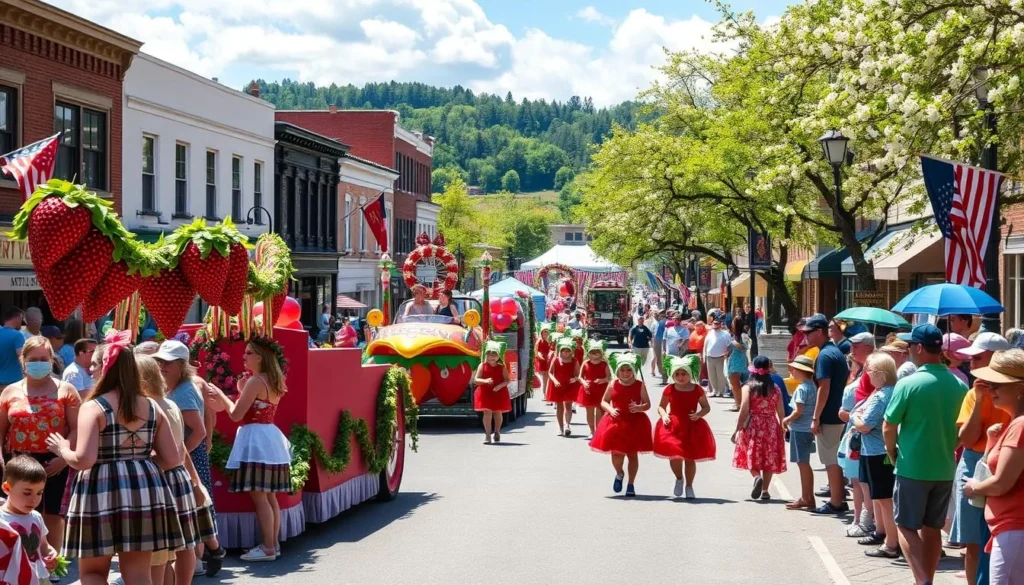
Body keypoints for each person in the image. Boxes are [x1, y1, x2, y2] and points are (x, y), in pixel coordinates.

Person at [47, 337, 184, 584]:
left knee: (93, 573)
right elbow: (174, 458)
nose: (91, 368)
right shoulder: (152, 406)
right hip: (146, 490)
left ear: (107, 368)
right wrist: (140, 467)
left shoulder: (94, 407)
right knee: (139, 574)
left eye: (96, 363)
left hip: (101, 489)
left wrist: (62, 449)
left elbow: (84, 460)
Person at [883, 323, 968, 585]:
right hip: (944, 467)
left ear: (919, 348)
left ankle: (922, 580)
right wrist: (950, 448)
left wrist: (891, 452)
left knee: (906, 525)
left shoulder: (909, 383)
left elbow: (889, 425)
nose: (908, 350)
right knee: (933, 528)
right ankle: (926, 578)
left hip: (912, 467)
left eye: (910, 345)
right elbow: (963, 428)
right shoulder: (959, 384)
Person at [0, 336, 81, 574]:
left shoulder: (66, 389)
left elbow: (77, 428)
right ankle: (17, 562)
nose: (38, 363)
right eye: (33, 359)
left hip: (55, 459)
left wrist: (64, 456)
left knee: (53, 513)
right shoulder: (10, 392)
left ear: (51, 360)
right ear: (23, 362)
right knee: (16, 509)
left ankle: (51, 566)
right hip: (19, 461)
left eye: (43, 359)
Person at [206, 339, 292, 563]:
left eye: (248, 353)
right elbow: (256, 405)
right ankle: (272, 544)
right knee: (269, 495)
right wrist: (241, 389)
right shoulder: (272, 380)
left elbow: (236, 415)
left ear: (260, 357)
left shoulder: (256, 381)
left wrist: (223, 396)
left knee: (260, 496)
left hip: (255, 440)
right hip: (270, 438)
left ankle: (268, 548)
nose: (244, 357)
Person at [136, 355, 203, 585]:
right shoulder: (170, 403)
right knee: (183, 545)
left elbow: (169, 450)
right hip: (178, 476)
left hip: (162, 477)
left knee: (160, 553)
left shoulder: (150, 407)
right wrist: (194, 479)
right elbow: (181, 447)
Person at [955, 333, 1013, 585]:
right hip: (975, 463)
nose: (972, 364)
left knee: (1002, 535)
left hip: (1006, 464)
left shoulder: (1014, 395)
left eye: (978, 358)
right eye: (971, 359)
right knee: (973, 541)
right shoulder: (973, 393)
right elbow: (967, 439)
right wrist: (979, 401)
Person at [963, 349, 1024, 585]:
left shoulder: (1019, 426)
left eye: (997, 384)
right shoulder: (1013, 423)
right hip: (1008, 529)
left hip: (1014, 528)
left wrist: (973, 488)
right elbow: (991, 469)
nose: (991, 389)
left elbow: (1000, 483)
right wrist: (990, 440)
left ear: (1019, 388)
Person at [152, 340, 214, 566]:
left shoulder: (185, 390)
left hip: (188, 457)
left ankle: (199, 560)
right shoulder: (176, 387)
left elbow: (199, 431)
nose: (162, 366)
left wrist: (178, 455)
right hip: (183, 456)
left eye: (168, 363)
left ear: (182, 365)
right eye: (160, 361)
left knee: (192, 509)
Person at [799, 313, 851, 515]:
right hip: (836, 413)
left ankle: (836, 501)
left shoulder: (825, 355)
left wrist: (815, 417)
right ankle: (837, 498)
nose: (805, 336)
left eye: (808, 332)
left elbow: (824, 388)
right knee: (833, 458)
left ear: (819, 332)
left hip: (830, 415)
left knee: (831, 460)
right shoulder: (833, 351)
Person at [852, 352, 901, 559]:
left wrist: (854, 417)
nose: (866, 375)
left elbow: (865, 425)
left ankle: (891, 543)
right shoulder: (889, 391)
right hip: (879, 450)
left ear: (881, 373)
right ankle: (886, 536)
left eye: (868, 371)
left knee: (884, 499)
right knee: (882, 498)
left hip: (877, 451)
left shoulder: (881, 395)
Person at [589, 352, 653, 497]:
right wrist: (610, 409)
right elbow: (604, 401)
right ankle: (619, 473)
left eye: (628, 370)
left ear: (633, 370)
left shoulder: (639, 385)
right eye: (622, 370)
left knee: (632, 455)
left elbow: (647, 403)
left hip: (635, 423)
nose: (625, 373)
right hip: (616, 423)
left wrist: (639, 407)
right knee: (616, 454)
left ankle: (631, 484)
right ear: (617, 371)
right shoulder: (613, 384)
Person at [654, 354, 714, 499]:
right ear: (673, 375)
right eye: (678, 374)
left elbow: (706, 407)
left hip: (692, 426)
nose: (681, 377)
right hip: (674, 425)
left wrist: (699, 414)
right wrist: (664, 415)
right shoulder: (670, 389)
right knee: (674, 456)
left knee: (690, 458)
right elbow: (661, 406)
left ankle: (689, 485)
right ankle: (679, 478)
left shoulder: (697, 389)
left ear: (690, 374)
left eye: (684, 374)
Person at [732, 355, 787, 501]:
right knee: (769, 456)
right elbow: (781, 411)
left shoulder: (748, 387)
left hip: (753, 425)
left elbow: (744, 408)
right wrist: (783, 426)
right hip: (771, 424)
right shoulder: (775, 388)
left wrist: (737, 428)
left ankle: (756, 477)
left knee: (750, 454)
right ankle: (765, 490)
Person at [1, 455, 59, 581]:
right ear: (7, 488)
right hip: (9, 579)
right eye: (27, 493)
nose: (34, 499)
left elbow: (44, 545)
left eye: (39, 493)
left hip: (36, 577)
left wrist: (50, 553)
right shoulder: (1, 519)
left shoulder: (36, 517)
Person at [782, 355, 817, 510]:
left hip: (800, 428)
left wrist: (786, 420)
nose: (792, 371)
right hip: (806, 428)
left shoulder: (802, 388)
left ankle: (806, 498)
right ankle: (808, 497)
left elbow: (798, 411)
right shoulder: (812, 386)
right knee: (804, 464)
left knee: (803, 464)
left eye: (794, 369)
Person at [473, 340, 511, 444]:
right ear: (486, 356)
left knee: (497, 412)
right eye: (489, 355)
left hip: (499, 392)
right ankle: (487, 435)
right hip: (485, 392)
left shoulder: (501, 367)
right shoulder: (482, 365)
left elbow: (507, 380)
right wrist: (485, 381)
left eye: (494, 355)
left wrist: (499, 386)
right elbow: (476, 379)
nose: (491, 358)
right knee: (487, 413)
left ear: (498, 356)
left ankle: (497, 432)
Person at [577, 340, 610, 439]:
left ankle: (599, 431)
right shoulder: (585, 363)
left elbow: (609, 377)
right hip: (588, 391)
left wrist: (603, 380)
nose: (594, 354)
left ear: (601, 353)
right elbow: (580, 377)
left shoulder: (604, 364)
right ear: (589, 353)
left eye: (597, 352)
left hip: (601, 390)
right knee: (589, 413)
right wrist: (584, 382)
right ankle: (592, 431)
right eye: (592, 352)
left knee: (600, 412)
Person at [546, 337, 578, 437]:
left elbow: (578, 374)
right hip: (558, 385)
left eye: (567, 351)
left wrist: (575, 379)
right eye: (563, 350)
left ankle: (567, 425)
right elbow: (550, 373)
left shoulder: (574, 361)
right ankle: (560, 427)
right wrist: (555, 381)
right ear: (560, 351)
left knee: (568, 406)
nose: (565, 353)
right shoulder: (556, 360)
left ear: (571, 352)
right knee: (559, 407)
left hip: (570, 385)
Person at [704, 315, 732, 399]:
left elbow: (729, 345)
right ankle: (714, 391)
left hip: (720, 357)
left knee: (720, 375)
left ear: (720, 324)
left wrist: (727, 355)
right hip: (710, 356)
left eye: (717, 323)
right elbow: (705, 345)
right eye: (714, 323)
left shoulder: (725, 334)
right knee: (712, 375)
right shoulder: (709, 333)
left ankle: (721, 391)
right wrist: (704, 355)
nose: (715, 325)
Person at [726, 317, 749, 411]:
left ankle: (739, 404)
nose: (731, 325)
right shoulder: (733, 335)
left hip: (738, 361)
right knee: (734, 384)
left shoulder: (743, 335)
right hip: (733, 360)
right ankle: (737, 402)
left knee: (735, 384)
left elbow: (744, 347)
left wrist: (733, 343)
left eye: (733, 323)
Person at [0, 307, 25, 386]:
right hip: (12, 383)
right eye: (21, 319)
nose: (22, 322)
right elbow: (23, 357)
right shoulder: (17, 336)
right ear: (17, 318)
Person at [652, 311, 667, 382]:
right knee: (658, 357)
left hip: (662, 340)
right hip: (656, 340)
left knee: (661, 357)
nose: (659, 316)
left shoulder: (665, 322)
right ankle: (661, 371)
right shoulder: (656, 323)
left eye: (662, 315)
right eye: (659, 315)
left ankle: (663, 372)